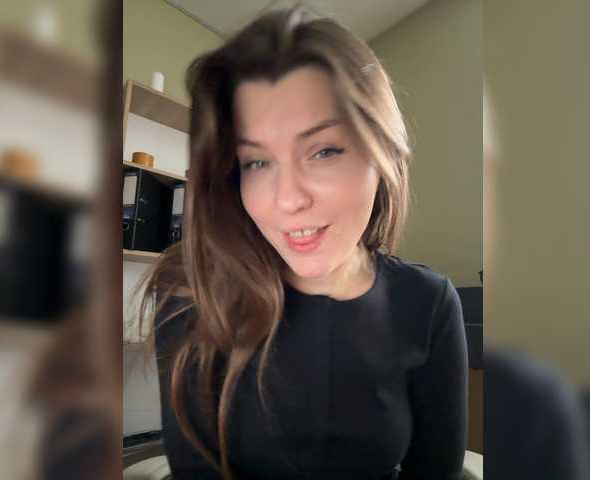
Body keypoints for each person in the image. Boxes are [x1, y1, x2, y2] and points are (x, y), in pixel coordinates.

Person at [138, 6, 468, 480]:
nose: (288, 199)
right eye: (256, 162)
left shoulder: (429, 303)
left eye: (324, 150)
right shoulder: (191, 292)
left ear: (383, 154)